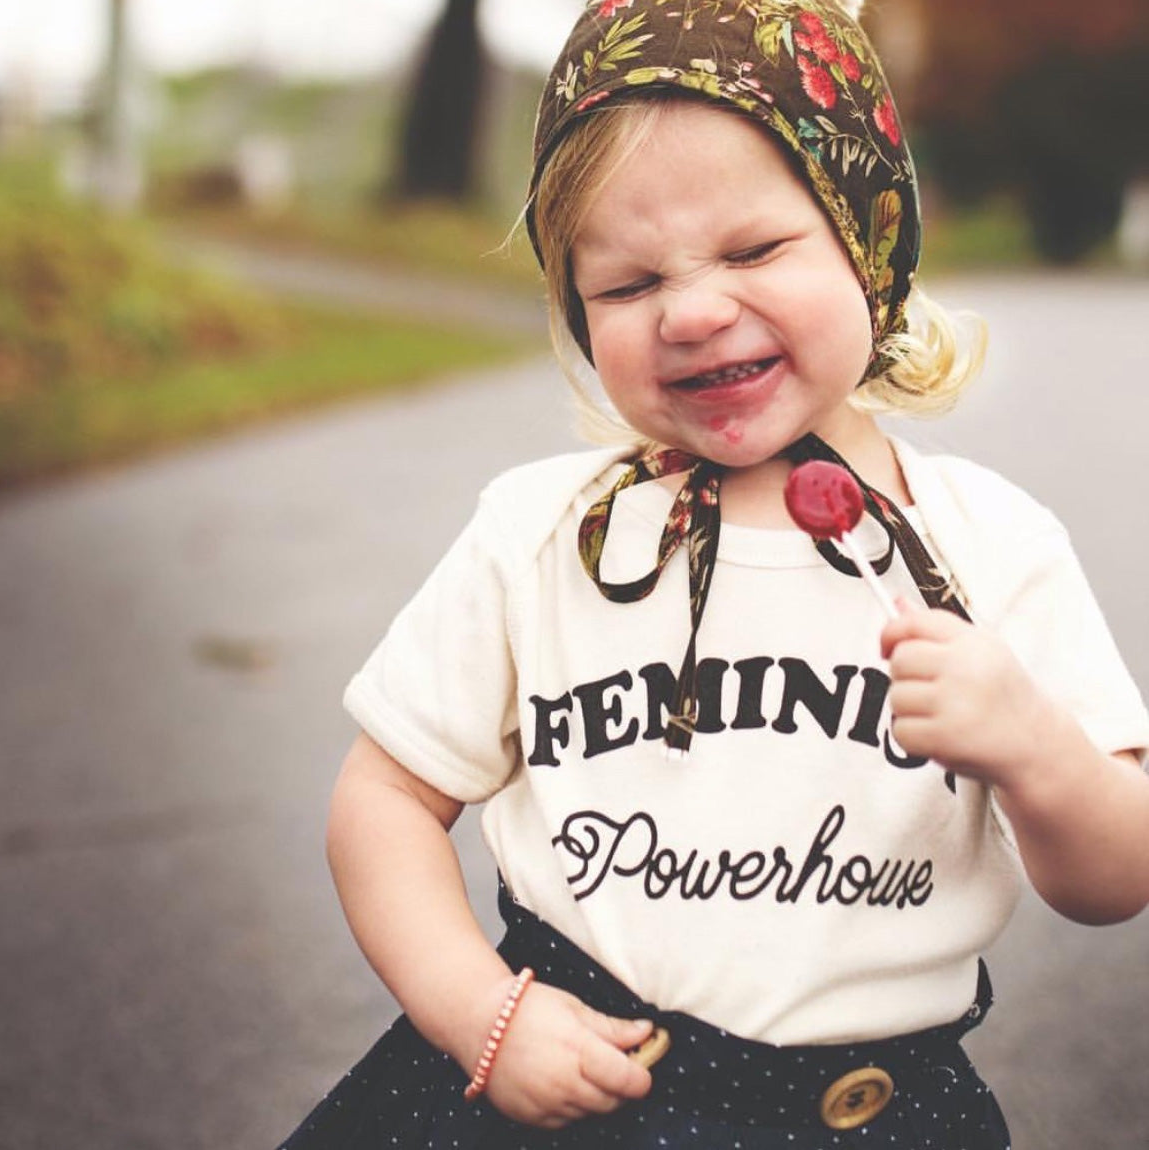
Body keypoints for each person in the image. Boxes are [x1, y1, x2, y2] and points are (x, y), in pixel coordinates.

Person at [276, 2, 1149, 1147]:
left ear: (866, 237)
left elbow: (1114, 874)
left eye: (752, 250)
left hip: (873, 1115)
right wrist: (479, 1013)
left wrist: (1036, 748)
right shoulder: (540, 534)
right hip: (570, 1080)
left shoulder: (991, 545)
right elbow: (383, 801)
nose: (690, 310)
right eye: (629, 286)